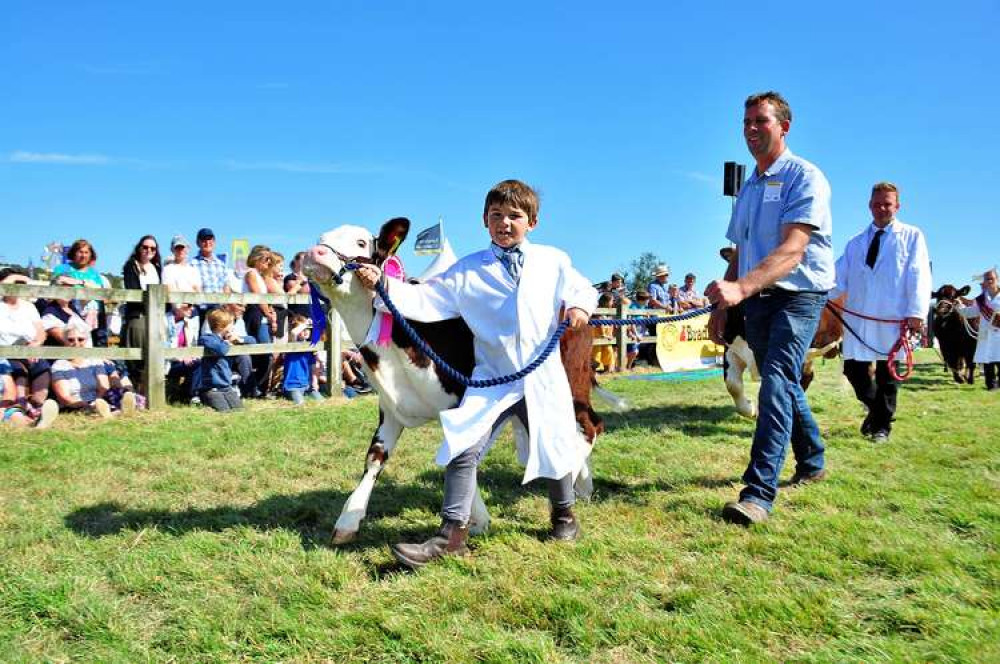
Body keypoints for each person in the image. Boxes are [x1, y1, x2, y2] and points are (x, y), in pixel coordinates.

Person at [355, 179, 597, 569]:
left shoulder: (553, 260)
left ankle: (564, 516)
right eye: (496, 216)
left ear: (532, 222)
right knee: (463, 445)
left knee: (554, 444)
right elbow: (424, 299)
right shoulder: (466, 271)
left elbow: (581, 288)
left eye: (515, 216)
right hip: (494, 377)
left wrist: (580, 308)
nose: (505, 223)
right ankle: (452, 534)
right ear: (485, 220)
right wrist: (383, 283)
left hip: (542, 375)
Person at [705, 91, 835, 526]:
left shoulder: (805, 177)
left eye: (761, 120)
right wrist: (724, 305)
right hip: (756, 296)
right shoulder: (749, 188)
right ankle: (813, 458)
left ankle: (758, 493)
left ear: (784, 126)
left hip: (798, 294)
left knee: (775, 380)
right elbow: (740, 249)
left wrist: (740, 288)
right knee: (783, 382)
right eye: (746, 122)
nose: (751, 129)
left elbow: (793, 249)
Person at [831, 182, 932, 443]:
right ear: (869, 206)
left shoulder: (912, 236)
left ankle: (881, 428)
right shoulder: (855, 244)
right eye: (877, 204)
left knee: (888, 376)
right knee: (853, 370)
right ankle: (877, 413)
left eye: (887, 204)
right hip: (859, 318)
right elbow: (837, 277)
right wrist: (812, 290)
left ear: (897, 206)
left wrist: (917, 312)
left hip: (893, 317)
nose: (882, 208)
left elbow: (919, 274)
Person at [50, 321, 136, 417]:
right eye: (71, 340)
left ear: (86, 340)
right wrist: (85, 405)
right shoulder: (58, 366)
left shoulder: (94, 360)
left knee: (118, 393)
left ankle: (108, 411)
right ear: (64, 341)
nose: (76, 343)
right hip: (74, 405)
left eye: (80, 339)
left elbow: (103, 387)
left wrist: (96, 403)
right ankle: (113, 413)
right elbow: (64, 397)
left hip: (99, 401)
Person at [0, 268, 51, 408]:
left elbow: (41, 330)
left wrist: (36, 343)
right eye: (14, 282)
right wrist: (14, 276)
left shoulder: (28, 306)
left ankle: (36, 406)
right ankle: (21, 405)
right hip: (6, 352)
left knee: (42, 368)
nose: (17, 286)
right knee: (19, 371)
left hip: (29, 349)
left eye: (20, 283)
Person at [121, 235, 163, 388]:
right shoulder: (131, 265)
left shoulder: (157, 267)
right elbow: (133, 292)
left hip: (155, 316)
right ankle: (136, 391)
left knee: (153, 355)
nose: (148, 251)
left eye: (152, 248)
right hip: (138, 315)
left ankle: (149, 391)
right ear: (139, 248)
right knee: (138, 357)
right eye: (145, 247)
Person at [50, 239, 107, 345]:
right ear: (74, 253)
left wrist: (79, 282)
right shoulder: (62, 268)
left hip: (93, 313)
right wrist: (83, 284)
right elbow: (56, 284)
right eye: (80, 252)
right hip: (69, 310)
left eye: (86, 252)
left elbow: (100, 292)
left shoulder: (94, 273)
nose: (83, 255)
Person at [197, 309, 244, 412]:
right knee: (224, 410)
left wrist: (241, 340)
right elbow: (221, 349)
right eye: (231, 324)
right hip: (211, 388)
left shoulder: (225, 338)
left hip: (226, 386)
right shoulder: (207, 338)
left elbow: (252, 341)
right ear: (221, 326)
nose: (233, 327)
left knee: (239, 410)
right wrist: (228, 342)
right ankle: (202, 398)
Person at [961, 268, 1000, 390]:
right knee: (988, 361)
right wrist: (958, 307)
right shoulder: (980, 299)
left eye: (991, 279)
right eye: (986, 279)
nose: (989, 281)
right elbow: (971, 312)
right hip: (986, 335)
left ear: (997, 279)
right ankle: (991, 386)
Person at [1, 359, 58, 429]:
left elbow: (9, 390)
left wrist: (3, 407)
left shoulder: (2, 362)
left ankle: (34, 423)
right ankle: (36, 424)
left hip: (2, 404)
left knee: (14, 414)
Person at [282, 314, 324, 404]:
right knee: (300, 403)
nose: (305, 331)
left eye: (307, 329)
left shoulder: (310, 347)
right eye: (302, 329)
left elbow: (313, 368)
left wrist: (314, 385)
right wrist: (305, 324)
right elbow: (293, 333)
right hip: (292, 386)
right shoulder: (292, 345)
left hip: (307, 386)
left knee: (321, 401)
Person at [191, 228, 231, 296]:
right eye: (204, 240)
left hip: (220, 305)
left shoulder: (221, 265)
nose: (207, 242)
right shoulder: (192, 264)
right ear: (198, 243)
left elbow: (226, 287)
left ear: (214, 242)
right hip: (201, 306)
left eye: (210, 239)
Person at [284, 251, 313, 318]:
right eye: (304, 258)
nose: (307, 261)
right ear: (296, 261)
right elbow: (304, 291)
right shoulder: (289, 277)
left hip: (312, 315)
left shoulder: (311, 278)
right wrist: (303, 281)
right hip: (297, 316)